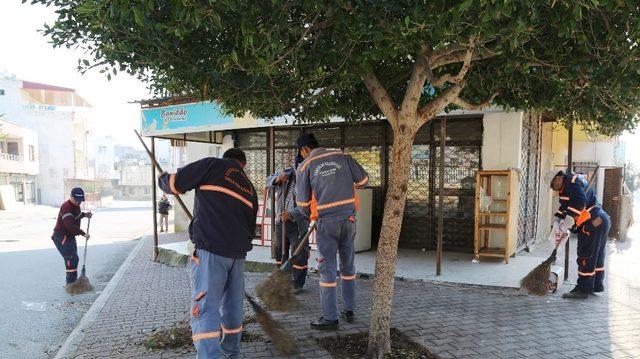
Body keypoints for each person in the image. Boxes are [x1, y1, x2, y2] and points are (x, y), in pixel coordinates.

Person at [158, 148, 258, 359]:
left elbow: (176, 183)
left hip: (211, 249)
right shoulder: (249, 187)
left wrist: (162, 179)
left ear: (227, 159)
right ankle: (231, 353)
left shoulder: (213, 166)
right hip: (238, 255)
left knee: (206, 306)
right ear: (244, 165)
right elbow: (251, 229)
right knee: (233, 307)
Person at [295, 133, 369, 329]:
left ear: (304, 149)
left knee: (327, 270)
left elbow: (302, 204)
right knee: (348, 267)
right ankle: (350, 309)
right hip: (349, 220)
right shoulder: (343, 156)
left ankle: (330, 318)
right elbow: (363, 181)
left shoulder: (305, 166)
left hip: (326, 224)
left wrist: (312, 210)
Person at [550, 170, 610, 299]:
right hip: (601, 220)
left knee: (585, 255)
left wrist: (569, 220)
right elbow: (565, 206)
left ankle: (583, 289)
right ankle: (595, 285)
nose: (552, 188)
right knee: (596, 255)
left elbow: (579, 202)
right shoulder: (568, 185)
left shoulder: (571, 183)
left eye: (552, 184)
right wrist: (559, 220)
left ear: (559, 178)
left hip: (592, 222)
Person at [266, 157, 310, 295]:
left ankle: (298, 284)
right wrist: (278, 179)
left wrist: (291, 214)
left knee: (299, 254)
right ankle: (281, 280)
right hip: (281, 223)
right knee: (280, 251)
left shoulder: (309, 180)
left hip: (298, 224)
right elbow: (268, 181)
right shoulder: (287, 173)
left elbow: (308, 206)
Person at [52, 187, 92, 285]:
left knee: (73, 258)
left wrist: (85, 215)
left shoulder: (76, 206)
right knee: (72, 258)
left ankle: (72, 283)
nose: (79, 203)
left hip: (70, 236)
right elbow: (70, 225)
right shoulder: (66, 206)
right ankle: (71, 284)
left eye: (80, 201)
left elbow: (76, 215)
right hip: (61, 237)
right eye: (77, 200)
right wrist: (83, 233)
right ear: (71, 197)